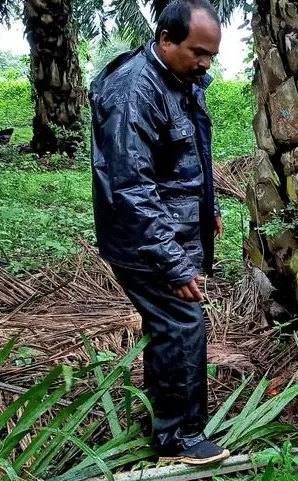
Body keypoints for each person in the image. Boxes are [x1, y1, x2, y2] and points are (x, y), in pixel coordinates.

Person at [89, 0, 228, 465]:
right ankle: (179, 437)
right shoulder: (135, 91)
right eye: (198, 52)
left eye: (212, 55)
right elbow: (130, 186)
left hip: (169, 228)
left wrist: (206, 209)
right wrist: (173, 261)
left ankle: (164, 419)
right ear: (165, 39)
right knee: (183, 324)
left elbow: (182, 158)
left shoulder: (180, 78)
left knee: (169, 325)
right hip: (144, 239)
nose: (206, 63)